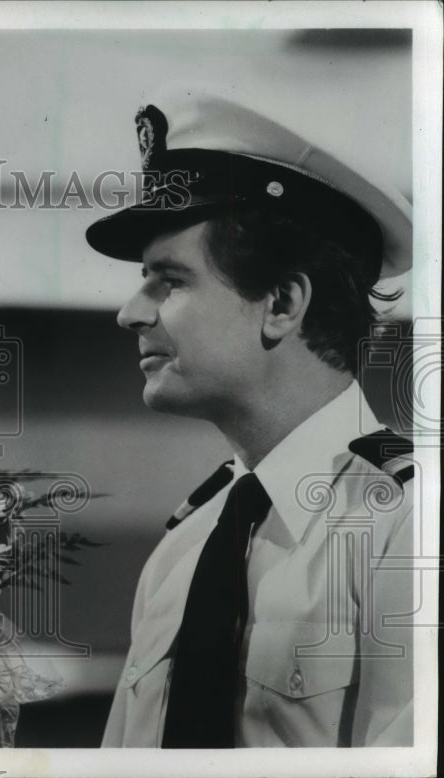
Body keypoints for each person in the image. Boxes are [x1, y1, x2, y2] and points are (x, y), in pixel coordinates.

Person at [86, 87, 415, 747]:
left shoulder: (407, 523)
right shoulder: (183, 548)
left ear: (283, 303)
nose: (131, 312)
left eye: (169, 280)